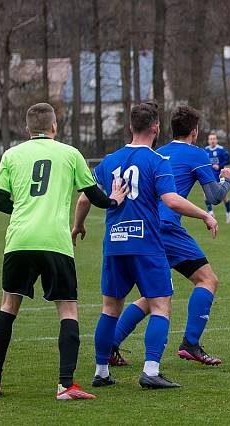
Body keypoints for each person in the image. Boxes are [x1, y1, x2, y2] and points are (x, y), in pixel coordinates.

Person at [72, 102, 218, 389]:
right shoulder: (156, 161)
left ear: (130, 126)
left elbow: (84, 198)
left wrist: (78, 225)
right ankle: (151, 371)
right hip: (146, 243)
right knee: (161, 305)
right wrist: (204, 214)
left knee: (109, 308)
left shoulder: (110, 160)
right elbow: (171, 200)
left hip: (114, 244)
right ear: (156, 128)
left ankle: (101, 372)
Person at [0, 103, 127, 400]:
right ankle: (65, 385)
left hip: (20, 240)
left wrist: (23, 210)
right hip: (55, 242)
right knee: (67, 310)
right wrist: (114, 201)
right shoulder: (70, 153)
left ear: (27, 130)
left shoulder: (12, 154)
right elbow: (94, 196)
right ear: (54, 127)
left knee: (8, 307)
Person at [107, 106, 230, 367]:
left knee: (154, 295)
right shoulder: (196, 154)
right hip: (168, 227)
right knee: (207, 280)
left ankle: (110, 344)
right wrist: (227, 180)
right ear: (195, 131)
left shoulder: (158, 152)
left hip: (147, 228)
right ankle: (190, 343)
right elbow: (214, 197)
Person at [203, 132, 230, 223]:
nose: (212, 141)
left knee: (223, 196)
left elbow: (228, 160)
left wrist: (219, 166)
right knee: (205, 195)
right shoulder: (205, 150)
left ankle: (228, 213)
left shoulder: (221, 150)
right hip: (209, 177)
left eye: (214, 139)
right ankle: (211, 212)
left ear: (217, 140)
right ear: (208, 141)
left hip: (220, 176)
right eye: (210, 139)